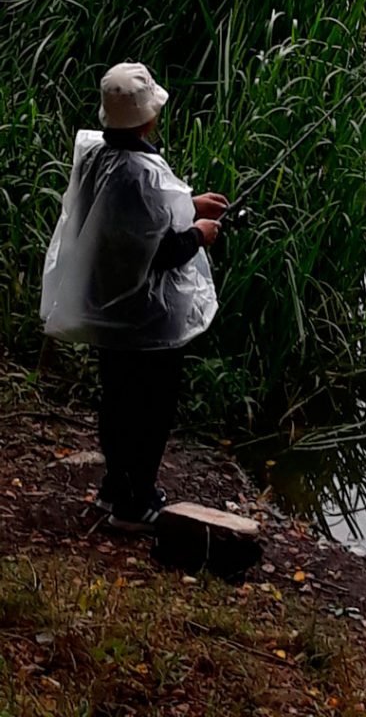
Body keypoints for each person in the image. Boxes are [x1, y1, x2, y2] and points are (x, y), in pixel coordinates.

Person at [40, 61, 228, 532]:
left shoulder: (97, 156)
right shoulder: (141, 173)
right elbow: (160, 250)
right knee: (151, 410)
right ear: (148, 117)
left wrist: (189, 204)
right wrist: (200, 233)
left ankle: (115, 487)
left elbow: (132, 223)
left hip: (110, 313)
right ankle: (136, 502)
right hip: (148, 322)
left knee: (117, 400)